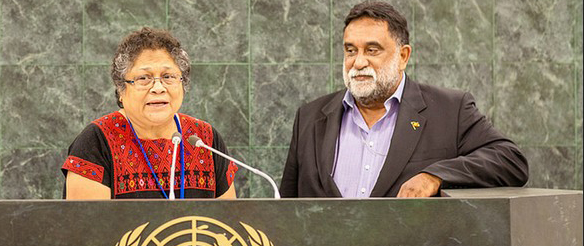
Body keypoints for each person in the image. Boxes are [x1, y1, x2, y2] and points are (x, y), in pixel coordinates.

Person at [280, 1, 528, 198]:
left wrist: (434, 176)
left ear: (403, 56)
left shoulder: (450, 110)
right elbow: (285, 209)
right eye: (350, 50)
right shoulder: (310, 117)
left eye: (372, 50)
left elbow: (510, 160)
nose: (358, 62)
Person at [61, 27, 238, 199]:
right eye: (144, 78)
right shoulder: (96, 142)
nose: (158, 88)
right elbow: (86, 227)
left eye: (168, 77)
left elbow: (228, 224)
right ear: (121, 89)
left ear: (183, 85)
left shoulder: (204, 139)